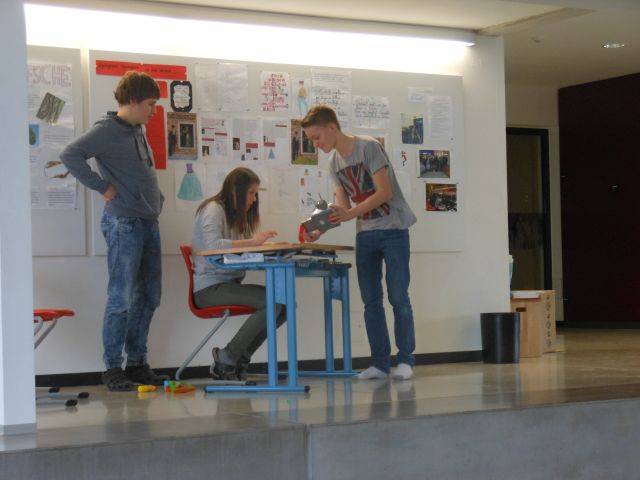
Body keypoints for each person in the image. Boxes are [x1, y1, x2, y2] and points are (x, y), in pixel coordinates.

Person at [60, 71, 167, 391]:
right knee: (121, 297)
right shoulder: (106, 130)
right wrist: (101, 186)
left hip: (148, 221)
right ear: (133, 101)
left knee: (149, 296)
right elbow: (70, 154)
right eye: (150, 104)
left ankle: (137, 363)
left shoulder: (138, 130)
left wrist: (156, 199)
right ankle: (112, 367)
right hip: (124, 224)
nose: (153, 110)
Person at [300, 105, 417, 380]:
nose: (315, 144)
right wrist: (319, 229)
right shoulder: (334, 163)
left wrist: (351, 213)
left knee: (398, 297)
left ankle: (405, 360)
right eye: (311, 140)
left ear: (332, 128)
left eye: (317, 137)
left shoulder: (368, 147)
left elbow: (385, 192)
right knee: (370, 301)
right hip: (365, 233)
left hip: (393, 229)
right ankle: (380, 363)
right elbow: (342, 208)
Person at [191, 167, 284, 381]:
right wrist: (252, 243)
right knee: (271, 303)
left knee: (284, 304)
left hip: (227, 285)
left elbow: (236, 252)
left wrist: (260, 249)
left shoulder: (234, 216)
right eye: (251, 193)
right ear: (235, 190)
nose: (254, 199)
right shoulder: (213, 209)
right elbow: (213, 246)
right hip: (208, 289)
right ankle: (227, 357)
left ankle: (239, 359)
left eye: (255, 193)